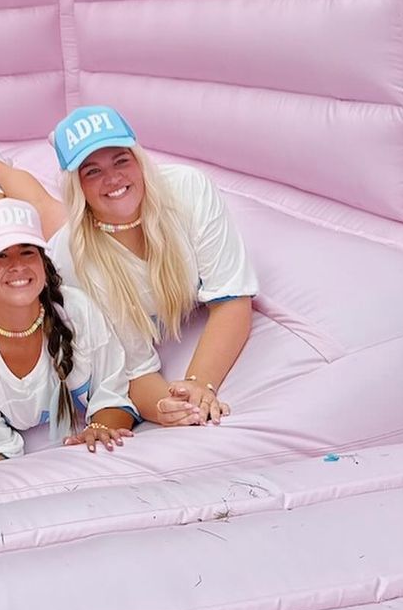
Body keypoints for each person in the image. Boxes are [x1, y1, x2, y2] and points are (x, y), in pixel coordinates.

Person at [38, 106, 258, 427]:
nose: (113, 177)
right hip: (76, 234)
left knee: (55, 211)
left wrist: (198, 385)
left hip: (97, 220)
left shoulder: (190, 189)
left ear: (139, 159)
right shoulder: (71, 257)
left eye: (121, 160)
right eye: (92, 171)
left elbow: (232, 298)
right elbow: (133, 369)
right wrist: (167, 407)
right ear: (77, 185)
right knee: (43, 210)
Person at [0, 198, 135, 475]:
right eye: (0, 256)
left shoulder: (78, 310)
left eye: (27, 252)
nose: (17, 265)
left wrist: (99, 429)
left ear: (43, 264)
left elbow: (113, 394)